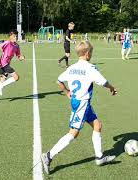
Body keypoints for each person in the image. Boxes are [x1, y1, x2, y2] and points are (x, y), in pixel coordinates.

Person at [41, 41, 118, 174]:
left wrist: (67, 92)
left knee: (97, 125)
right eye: (91, 53)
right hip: (82, 104)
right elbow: (103, 82)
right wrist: (112, 88)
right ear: (88, 54)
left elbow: (59, 80)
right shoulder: (90, 68)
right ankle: (48, 156)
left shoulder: (71, 68)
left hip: (81, 103)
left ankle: (99, 157)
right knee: (73, 133)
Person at [0, 29, 25, 102]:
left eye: (16, 36)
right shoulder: (7, 42)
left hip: (6, 64)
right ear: (10, 36)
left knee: (2, 80)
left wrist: (22, 57)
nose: (15, 38)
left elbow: (18, 56)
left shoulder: (16, 45)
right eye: (14, 36)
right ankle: (1, 86)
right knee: (16, 77)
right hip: (4, 63)